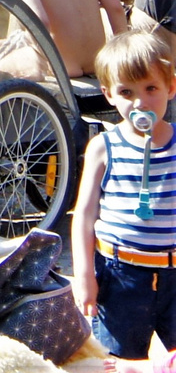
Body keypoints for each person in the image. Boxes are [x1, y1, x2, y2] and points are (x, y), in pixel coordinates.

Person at [72, 30, 176, 359]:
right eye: (126, 92)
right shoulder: (104, 147)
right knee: (117, 359)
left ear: (171, 88)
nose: (140, 102)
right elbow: (85, 215)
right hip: (121, 275)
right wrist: (85, 275)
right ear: (108, 95)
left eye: (151, 89)